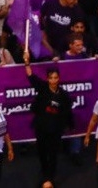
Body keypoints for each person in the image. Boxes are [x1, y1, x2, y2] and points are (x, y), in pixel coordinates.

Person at [24, 50, 73, 184]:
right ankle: (44, 171)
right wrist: (27, 63)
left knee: (53, 153)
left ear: (59, 79)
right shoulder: (43, 88)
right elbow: (31, 77)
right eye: (51, 78)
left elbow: (67, 111)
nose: (53, 81)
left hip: (56, 129)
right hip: (41, 127)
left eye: (55, 78)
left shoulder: (64, 95)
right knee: (41, 151)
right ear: (47, 79)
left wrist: (68, 125)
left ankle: (50, 177)